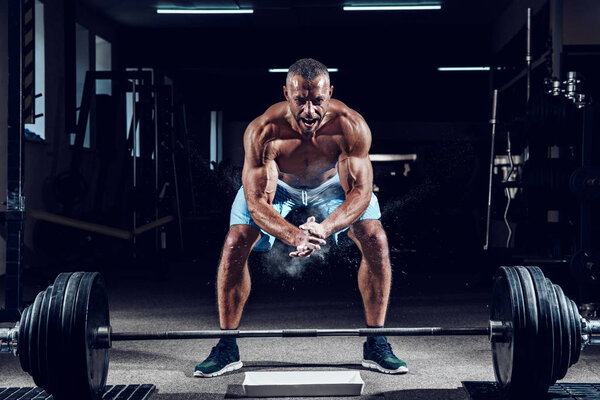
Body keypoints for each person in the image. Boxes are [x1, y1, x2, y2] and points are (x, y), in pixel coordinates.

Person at [194, 58, 407, 377]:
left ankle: (376, 342)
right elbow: (255, 204)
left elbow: (361, 193)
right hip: (278, 184)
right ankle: (227, 345)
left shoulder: (350, 125)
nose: (309, 111)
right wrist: (294, 235)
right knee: (235, 241)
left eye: (318, 100)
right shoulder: (263, 130)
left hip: (331, 183)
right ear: (286, 93)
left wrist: (323, 227)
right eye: (300, 101)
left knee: (375, 237)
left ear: (330, 92)